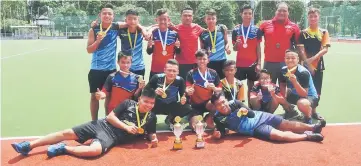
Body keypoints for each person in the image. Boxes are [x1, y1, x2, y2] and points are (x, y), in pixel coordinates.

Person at [11, 89, 159, 158]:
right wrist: (126, 127)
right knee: (67, 133)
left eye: (152, 103)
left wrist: (154, 138)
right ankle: (28, 145)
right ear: (139, 100)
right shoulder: (128, 103)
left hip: (111, 138)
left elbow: (151, 132)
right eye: (146, 101)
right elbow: (110, 117)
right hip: (102, 125)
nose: (149, 105)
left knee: (94, 151)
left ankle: (64, 148)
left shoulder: (152, 117)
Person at [211, 92, 326, 142]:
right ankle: (307, 136)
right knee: (278, 136)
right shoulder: (218, 117)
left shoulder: (235, 103)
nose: (222, 105)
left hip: (262, 116)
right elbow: (221, 131)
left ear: (226, 100)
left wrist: (245, 111)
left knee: (287, 124)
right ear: (216, 107)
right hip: (255, 129)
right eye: (218, 105)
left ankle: (312, 127)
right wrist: (218, 135)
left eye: (223, 102)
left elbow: (251, 114)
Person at [86, 4, 120, 120]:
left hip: (111, 70)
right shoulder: (94, 29)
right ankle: (94, 122)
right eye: (104, 13)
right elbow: (89, 50)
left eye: (109, 14)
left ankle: (108, 120)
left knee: (109, 97)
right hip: (96, 70)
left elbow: (132, 23)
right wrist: (97, 41)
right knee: (94, 97)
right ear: (100, 15)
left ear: (113, 16)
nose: (107, 15)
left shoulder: (116, 27)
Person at [297, 8, 330, 120]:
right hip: (305, 67)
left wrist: (313, 59)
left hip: (318, 66)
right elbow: (301, 51)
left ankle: (314, 111)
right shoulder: (303, 33)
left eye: (315, 16)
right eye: (311, 16)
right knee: (305, 89)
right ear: (308, 17)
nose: (313, 18)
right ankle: (305, 112)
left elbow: (325, 49)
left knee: (317, 90)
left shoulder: (324, 32)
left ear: (318, 17)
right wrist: (308, 64)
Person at [259, 2, 300, 84]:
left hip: (287, 63)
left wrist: (299, 62)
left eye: (284, 11)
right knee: (268, 87)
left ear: (288, 12)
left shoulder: (294, 27)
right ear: (276, 11)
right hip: (269, 63)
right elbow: (255, 42)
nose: (282, 12)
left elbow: (298, 46)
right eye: (279, 10)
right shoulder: (265, 25)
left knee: (286, 88)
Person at [145, 59, 193, 127]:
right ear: (164, 70)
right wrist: (154, 92)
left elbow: (184, 96)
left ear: (178, 72)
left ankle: (171, 118)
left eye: (174, 71)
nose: (171, 73)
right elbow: (145, 92)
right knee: (147, 107)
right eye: (169, 70)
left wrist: (184, 99)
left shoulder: (180, 80)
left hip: (171, 105)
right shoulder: (156, 78)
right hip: (156, 106)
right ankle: (151, 117)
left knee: (187, 107)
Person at [279, 50, 319, 124]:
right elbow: (282, 85)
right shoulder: (283, 70)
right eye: (287, 58)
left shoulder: (303, 73)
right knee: (278, 95)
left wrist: (295, 82)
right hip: (295, 94)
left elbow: (304, 94)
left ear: (298, 60)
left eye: (293, 58)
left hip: (309, 96)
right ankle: (290, 112)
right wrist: (283, 100)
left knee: (302, 103)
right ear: (284, 59)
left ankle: (308, 117)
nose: (290, 60)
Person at [185, 49, 222, 129]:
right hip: (195, 104)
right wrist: (188, 91)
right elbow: (187, 88)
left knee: (218, 105)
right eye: (199, 59)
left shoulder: (213, 73)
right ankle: (195, 118)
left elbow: (220, 89)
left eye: (204, 59)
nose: (202, 61)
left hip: (208, 103)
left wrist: (215, 88)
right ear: (196, 60)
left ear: (208, 60)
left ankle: (208, 118)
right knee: (195, 127)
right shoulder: (191, 73)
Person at [232, 5, 262, 99]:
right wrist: (237, 43)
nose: (247, 15)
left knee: (251, 85)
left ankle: (251, 107)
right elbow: (235, 49)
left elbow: (258, 47)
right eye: (245, 13)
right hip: (240, 63)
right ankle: (238, 106)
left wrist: (259, 63)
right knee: (238, 85)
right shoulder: (236, 30)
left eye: (250, 13)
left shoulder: (257, 30)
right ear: (241, 14)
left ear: (252, 15)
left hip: (252, 63)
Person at [169, 7, 205, 79]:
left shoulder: (197, 27)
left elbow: (209, 31)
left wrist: (222, 28)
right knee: (183, 86)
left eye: (189, 16)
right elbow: (158, 26)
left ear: (192, 17)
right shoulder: (175, 28)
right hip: (181, 63)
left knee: (194, 86)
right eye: (185, 15)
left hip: (195, 63)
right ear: (181, 16)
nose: (187, 18)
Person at [147, 8, 181, 80]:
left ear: (168, 20)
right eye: (160, 19)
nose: (162, 21)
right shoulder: (153, 33)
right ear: (156, 20)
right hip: (155, 69)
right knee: (154, 90)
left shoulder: (174, 34)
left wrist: (178, 47)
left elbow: (178, 52)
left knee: (168, 91)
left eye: (165, 19)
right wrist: (149, 46)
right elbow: (149, 52)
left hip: (169, 70)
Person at [200, 9, 231, 79]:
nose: (211, 20)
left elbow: (226, 42)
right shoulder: (202, 33)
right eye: (208, 19)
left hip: (222, 61)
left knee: (223, 83)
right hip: (209, 62)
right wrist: (206, 52)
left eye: (213, 18)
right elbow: (202, 49)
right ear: (205, 20)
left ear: (216, 19)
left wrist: (227, 48)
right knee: (210, 84)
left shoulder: (222, 29)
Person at [118, 9, 147, 76]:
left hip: (139, 67)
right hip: (125, 67)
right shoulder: (121, 31)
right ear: (126, 20)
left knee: (139, 86)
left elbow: (153, 27)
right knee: (124, 86)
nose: (132, 21)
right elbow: (112, 25)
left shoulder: (141, 30)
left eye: (135, 19)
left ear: (138, 20)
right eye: (129, 19)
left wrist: (144, 30)